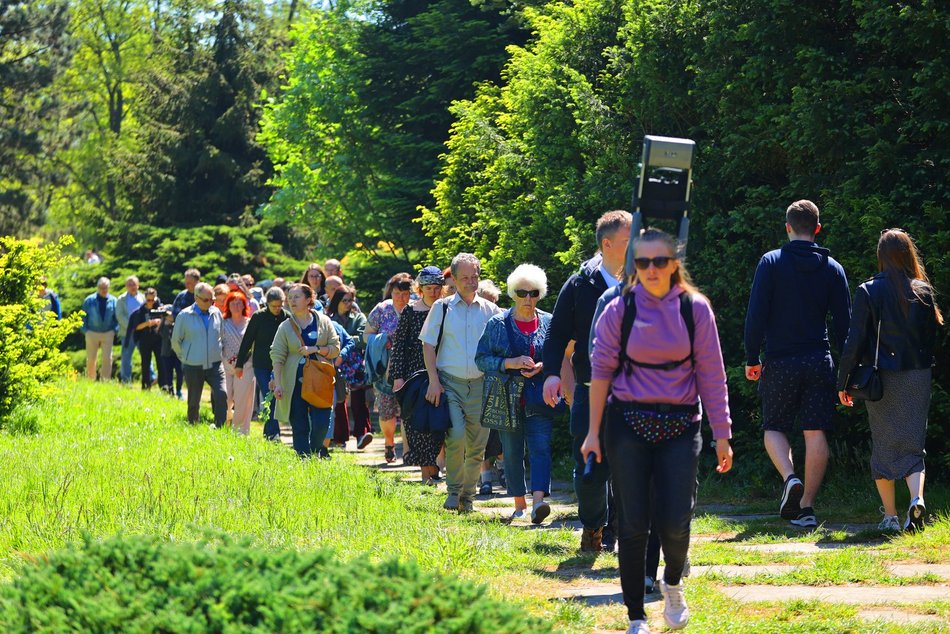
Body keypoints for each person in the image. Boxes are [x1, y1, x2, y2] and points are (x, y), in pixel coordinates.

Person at [583, 229, 733, 633]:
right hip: (627, 423)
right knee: (632, 522)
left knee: (676, 518)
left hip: (682, 424)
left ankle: (672, 582)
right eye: (642, 262)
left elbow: (712, 374)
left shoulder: (695, 309)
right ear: (634, 266)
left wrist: (723, 433)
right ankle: (635, 615)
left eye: (659, 262)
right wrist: (593, 431)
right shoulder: (619, 309)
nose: (651, 270)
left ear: (674, 264)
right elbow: (600, 373)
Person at [744, 200, 851, 528]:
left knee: (774, 427)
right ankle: (806, 508)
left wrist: (752, 357)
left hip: (780, 360)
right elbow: (845, 325)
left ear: (788, 226)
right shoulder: (833, 268)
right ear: (817, 229)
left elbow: (756, 315)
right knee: (815, 430)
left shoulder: (771, 262)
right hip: (819, 359)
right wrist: (846, 374)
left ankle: (791, 478)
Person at [837, 229, 942, 532]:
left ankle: (890, 517)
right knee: (913, 444)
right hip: (918, 375)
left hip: (881, 378)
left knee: (883, 445)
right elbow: (931, 338)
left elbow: (853, 341)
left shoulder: (868, 290)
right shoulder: (923, 290)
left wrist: (843, 382)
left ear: (881, 256)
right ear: (909, 254)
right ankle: (917, 499)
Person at [542, 209, 631, 551]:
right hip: (590, 389)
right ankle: (594, 525)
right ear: (607, 244)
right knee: (591, 470)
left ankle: (622, 530)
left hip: (635, 390)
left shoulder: (645, 280)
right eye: (627, 241)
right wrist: (551, 375)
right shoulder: (581, 283)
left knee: (631, 463)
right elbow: (557, 334)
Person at [476, 264, 561, 523]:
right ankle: (519, 503)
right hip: (506, 399)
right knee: (512, 452)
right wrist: (508, 364)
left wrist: (544, 366)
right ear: (513, 293)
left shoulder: (549, 321)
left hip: (539, 398)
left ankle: (538, 503)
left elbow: (559, 356)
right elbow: (481, 359)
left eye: (533, 293)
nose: (528, 298)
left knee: (541, 449)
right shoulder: (497, 324)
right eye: (522, 292)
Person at [421, 253, 501, 512]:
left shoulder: (491, 310)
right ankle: (454, 492)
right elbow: (428, 345)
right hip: (449, 383)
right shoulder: (442, 307)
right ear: (453, 279)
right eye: (464, 277)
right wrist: (433, 381)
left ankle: (468, 497)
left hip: (481, 385)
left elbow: (502, 346)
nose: (470, 282)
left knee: (477, 445)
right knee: (455, 437)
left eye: (474, 276)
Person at [390, 267, 448, 484]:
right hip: (415, 375)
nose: (433, 292)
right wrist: (398, 377)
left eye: (436, 288)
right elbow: (399, 347)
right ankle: (428, 475)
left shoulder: (447, 309)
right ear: (420, 289)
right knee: (419, 425)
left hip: (444, 371)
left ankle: (438, 469)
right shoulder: (410, 311)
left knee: (441, 424)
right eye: (428, 288)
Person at [271, 283, 340, 457]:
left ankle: (315, 450)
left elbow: (335, 348)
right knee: (299, 424)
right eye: (290, 297)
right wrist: (278, 384)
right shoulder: (285, 326)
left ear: (309, 299)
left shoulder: (324, 321)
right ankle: (303, 458)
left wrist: (316, 349)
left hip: (320, 380)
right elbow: (277, 356)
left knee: (322, 422)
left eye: (297, 297)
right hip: (294, 382)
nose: (292, 301)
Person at [365, 272, 413, 462]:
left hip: (412, 367)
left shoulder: (416, 309)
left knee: (409, 410)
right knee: (387, 410)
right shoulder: (381, 309)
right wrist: (381, 340)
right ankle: (389, 443)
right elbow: (366, 335)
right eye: (397, 293)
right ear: (390, 292)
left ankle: (408, 451)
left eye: (405, 294)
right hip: (385, 369)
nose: (401, 298)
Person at [235, 287, 289, 440]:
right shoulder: (258, 317)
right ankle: (274, 433)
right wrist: (239, 363)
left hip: (280, 364)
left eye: (280, 305)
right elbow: (247, 341)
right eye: (274, 306)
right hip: (261, 364)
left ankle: (269, 432)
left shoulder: (287, 318)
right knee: (269, 394)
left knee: (276, 397)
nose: (277, 309)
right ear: (267, 304)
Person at [172, 282, 227, 426]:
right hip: (193, 365)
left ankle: (220, 427)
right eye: (206, 300)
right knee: (194, 402)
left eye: (212, 300)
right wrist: (185, 357)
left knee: (222, 394)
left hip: (215, 364)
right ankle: (193, 427)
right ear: (196, 298)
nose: (210, 303)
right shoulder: (184, 315)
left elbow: (221, 335)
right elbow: (176, 341)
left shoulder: (216, 313)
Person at [327, 285, 373, 449]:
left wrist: (344, 340)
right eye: (344, 300)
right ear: (337, 301)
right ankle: (339, 437)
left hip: (355, 364)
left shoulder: (358, 317)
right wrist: (349, 341)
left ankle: (362, 434)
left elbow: (363, 338)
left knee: (358, 399)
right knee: (338, 398)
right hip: (335, 362)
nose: (348, 303)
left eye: (350, 300)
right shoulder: (328, 319)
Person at [222, 290, 256, 435]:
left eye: (239, 303)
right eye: (233, 303)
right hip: (225, 365)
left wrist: (241, 363)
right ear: (227, 306)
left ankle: (240, 431)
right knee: (226, 396)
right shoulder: (223, 323)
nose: (236, 306)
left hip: (246, 366)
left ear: (244, 306)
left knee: (243, 399)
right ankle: (225, 421)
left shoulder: (250, 323)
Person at [81, 277, 119, 380]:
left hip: (108, 333)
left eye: (105, 287)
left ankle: (105, 380)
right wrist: (86, 331)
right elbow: (82, 316)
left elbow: (117, 317)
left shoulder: (114, 301)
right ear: (98, 287)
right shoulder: (89, 300)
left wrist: (114, 330)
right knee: (91, 359)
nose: (103, 290)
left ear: (108, 288)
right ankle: (90, 379)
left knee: (107, 358)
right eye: (101, 287)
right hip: (92, 333)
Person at [127, 288, 163, 390]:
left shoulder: (159, 309)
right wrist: (148, 323)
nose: (151, 302)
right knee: (145, 364)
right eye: (148, 300)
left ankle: (163, 385)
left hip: (158, 339)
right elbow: (136, 327)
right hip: (145, 339)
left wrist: (159, 321)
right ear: (145, 299)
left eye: (153, 300)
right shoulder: (140, 311)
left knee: (161, 363)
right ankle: (145, 386)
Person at [115, 275, 146, 383]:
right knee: (126, 358)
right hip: (127, 333)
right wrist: (131, 327)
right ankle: (126, 381)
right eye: (129, 284)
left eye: (134, 284)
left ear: (138, 285)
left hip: (142, 333)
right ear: (126, 286)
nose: (132, 286)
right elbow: (119, 315)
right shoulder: (121, 299)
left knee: (145, 355)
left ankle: (151, 378)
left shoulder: (143, 298)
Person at [157, 306, 179, 395]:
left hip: (177, 353)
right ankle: (170, 390)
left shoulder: (178, 324)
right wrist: (166, 322)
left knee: (179, 372)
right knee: (168, 373)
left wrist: (173, 321)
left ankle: (179, 390)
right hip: (166, 352)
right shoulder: (163, 326)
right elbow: (162, 334)